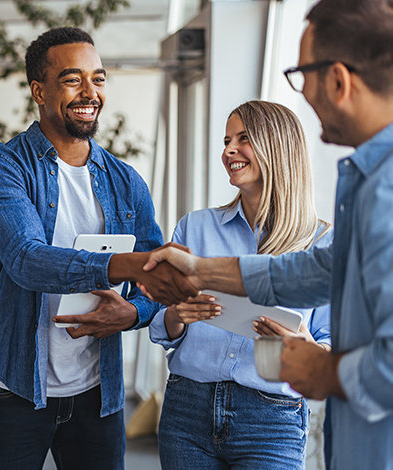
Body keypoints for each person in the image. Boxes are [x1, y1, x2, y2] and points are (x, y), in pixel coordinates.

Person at [142, 1, 393, 468]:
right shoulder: (364, 181)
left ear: (338, 80)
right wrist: (198, 270)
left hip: (283, 418)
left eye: (302, 74)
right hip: (192, 408)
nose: (305, 94)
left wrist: (325, 368)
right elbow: (312, 271)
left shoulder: (382, 191)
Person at [0, 27, 196, 470]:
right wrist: (124, 264)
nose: (89, 92)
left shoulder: (125, 181)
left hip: (97, 393)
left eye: (98, 78)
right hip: (15, 389)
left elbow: (152, 285)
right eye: (73, 79)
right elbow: (26, 260)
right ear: (39, 90)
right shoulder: (3, 166)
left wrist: (132, 313)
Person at [149, 100, 332, 469]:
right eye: (226, 140)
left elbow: (332, 343)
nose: (229, 150)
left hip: (272, 420)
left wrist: (305, 347)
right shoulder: (195, 227)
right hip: (188, 409)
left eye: (243, 138)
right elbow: (160, 322)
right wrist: (177, 316)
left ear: (277, 147)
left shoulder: (322, 242)